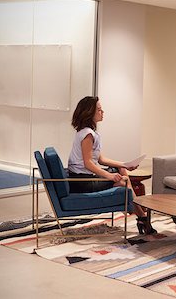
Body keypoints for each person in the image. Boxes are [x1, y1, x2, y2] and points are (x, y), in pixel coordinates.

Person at [67, 96, 156, 235]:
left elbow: (100, 159)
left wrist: (124, 165)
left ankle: (140, 215)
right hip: (82, 182)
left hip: (83, 177)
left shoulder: (88, 132)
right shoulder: (88, 135)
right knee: (124, 180)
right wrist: (110, 176)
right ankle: (141, 216)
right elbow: (88, 163)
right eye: (99, 109)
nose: (102, 112)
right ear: (89, 112)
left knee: (120, 170)